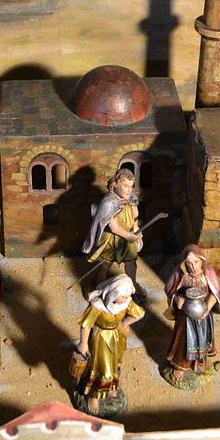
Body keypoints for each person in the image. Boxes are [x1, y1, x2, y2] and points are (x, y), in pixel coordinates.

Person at [73, 274, 145, 415]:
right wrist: (83, 343)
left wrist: (124, 323)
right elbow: (86, 324)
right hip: (101, 338)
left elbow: (139, 313)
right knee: (101, 368)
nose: (126, 298)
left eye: (127, 296)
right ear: (113, 293)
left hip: (116, 337)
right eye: (123, 296)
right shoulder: (97, 307)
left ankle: (111, 387)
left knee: (114, 364)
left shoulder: (126, 303)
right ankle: (94, 395)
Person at [163, 245, 220, 384]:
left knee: (201, 340)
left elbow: (216, 293)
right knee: (184, 341)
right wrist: (177, 299)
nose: (192, 266)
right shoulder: (181, 275)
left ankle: (199, 363)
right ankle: (180, 365)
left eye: (196, 262)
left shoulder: (208, 274)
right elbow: (170, 290)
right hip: (186, 317)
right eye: (189, 263)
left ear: (202, 261)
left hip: (202, 315)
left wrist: (207, 308)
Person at [82, 168, 142, 286]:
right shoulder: (109, 202)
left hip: (127, 236)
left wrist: (135, 227)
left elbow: (135, 215)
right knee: (105, 265)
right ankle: (100, 287)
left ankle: (133, 286)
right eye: (125, 186)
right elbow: (115, 228)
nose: (129, 190)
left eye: (131, 186)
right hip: (110, 239)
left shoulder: (131, 197)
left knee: (131, 261)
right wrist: (130, 236)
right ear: (115, 185)